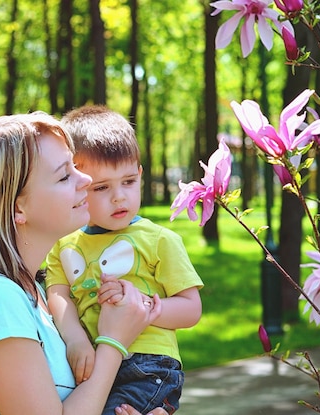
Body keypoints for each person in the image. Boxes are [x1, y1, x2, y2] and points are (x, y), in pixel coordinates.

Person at [0, 112, 168, 415]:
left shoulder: (34, 293)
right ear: (18, 207)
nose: (86, 180)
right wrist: (113, 343)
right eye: (64, 175)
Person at [45, 105, 204, 415]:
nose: (119, 197)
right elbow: (57, 293)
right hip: (95, 362)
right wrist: (75, 338)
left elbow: (191, 309)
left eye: (128, 182)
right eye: (101, 187)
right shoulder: (64, 242)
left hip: (149, 365)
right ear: (77, 184)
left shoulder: (159, 240)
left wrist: (140, 307)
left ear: (140, 175)